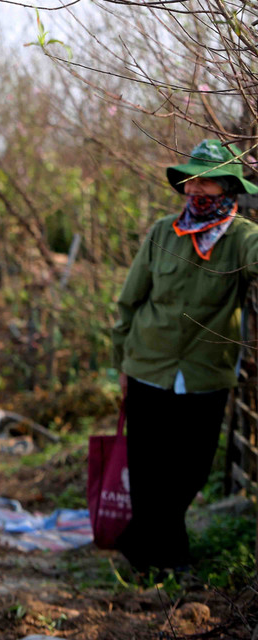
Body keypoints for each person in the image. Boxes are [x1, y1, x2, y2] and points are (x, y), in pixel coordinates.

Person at [111, 138, 258, 573]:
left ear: (227, 190)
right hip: (147, 365)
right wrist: (121, 361)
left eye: (208, 184)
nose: (196, 191)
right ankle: (164, 559)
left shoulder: (242, 238)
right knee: (147, 468)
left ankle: (143, 545)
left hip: (205, 373)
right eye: (192, 182)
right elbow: (129, 301)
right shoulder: (162, 232)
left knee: (190, 469)